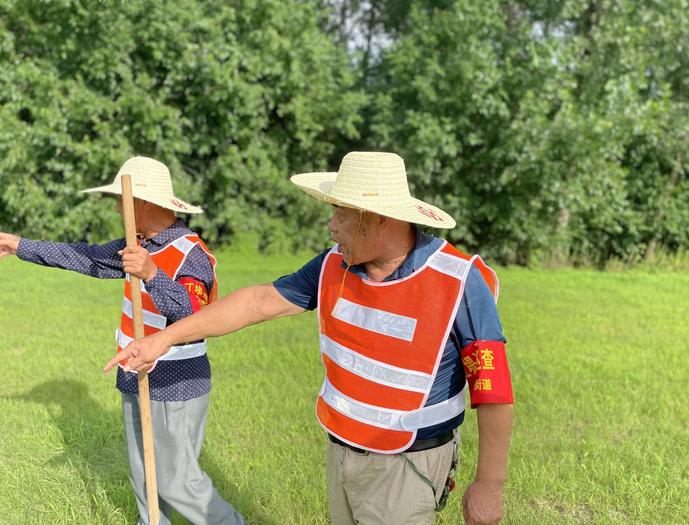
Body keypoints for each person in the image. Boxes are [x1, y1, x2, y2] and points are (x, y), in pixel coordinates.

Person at [105, 151, 514, 525]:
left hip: (407, 466)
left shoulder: (460, 282)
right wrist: (165, 339)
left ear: (380, 217)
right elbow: (260, 301)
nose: (330, 225)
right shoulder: (333, 265)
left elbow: (493, 391)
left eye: (339, 212)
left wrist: (489, 486)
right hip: (341, 451)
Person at [0, 156, 245, 525]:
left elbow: (195, 316)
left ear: (143, 204)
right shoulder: (137, 244)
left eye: (121, 199)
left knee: (178, 482)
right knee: (145, 477)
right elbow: (83, 257)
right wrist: (19, 245)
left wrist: (151, 273)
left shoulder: (190, 254)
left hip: (175, 382)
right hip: (135, 371)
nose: (116, 207)